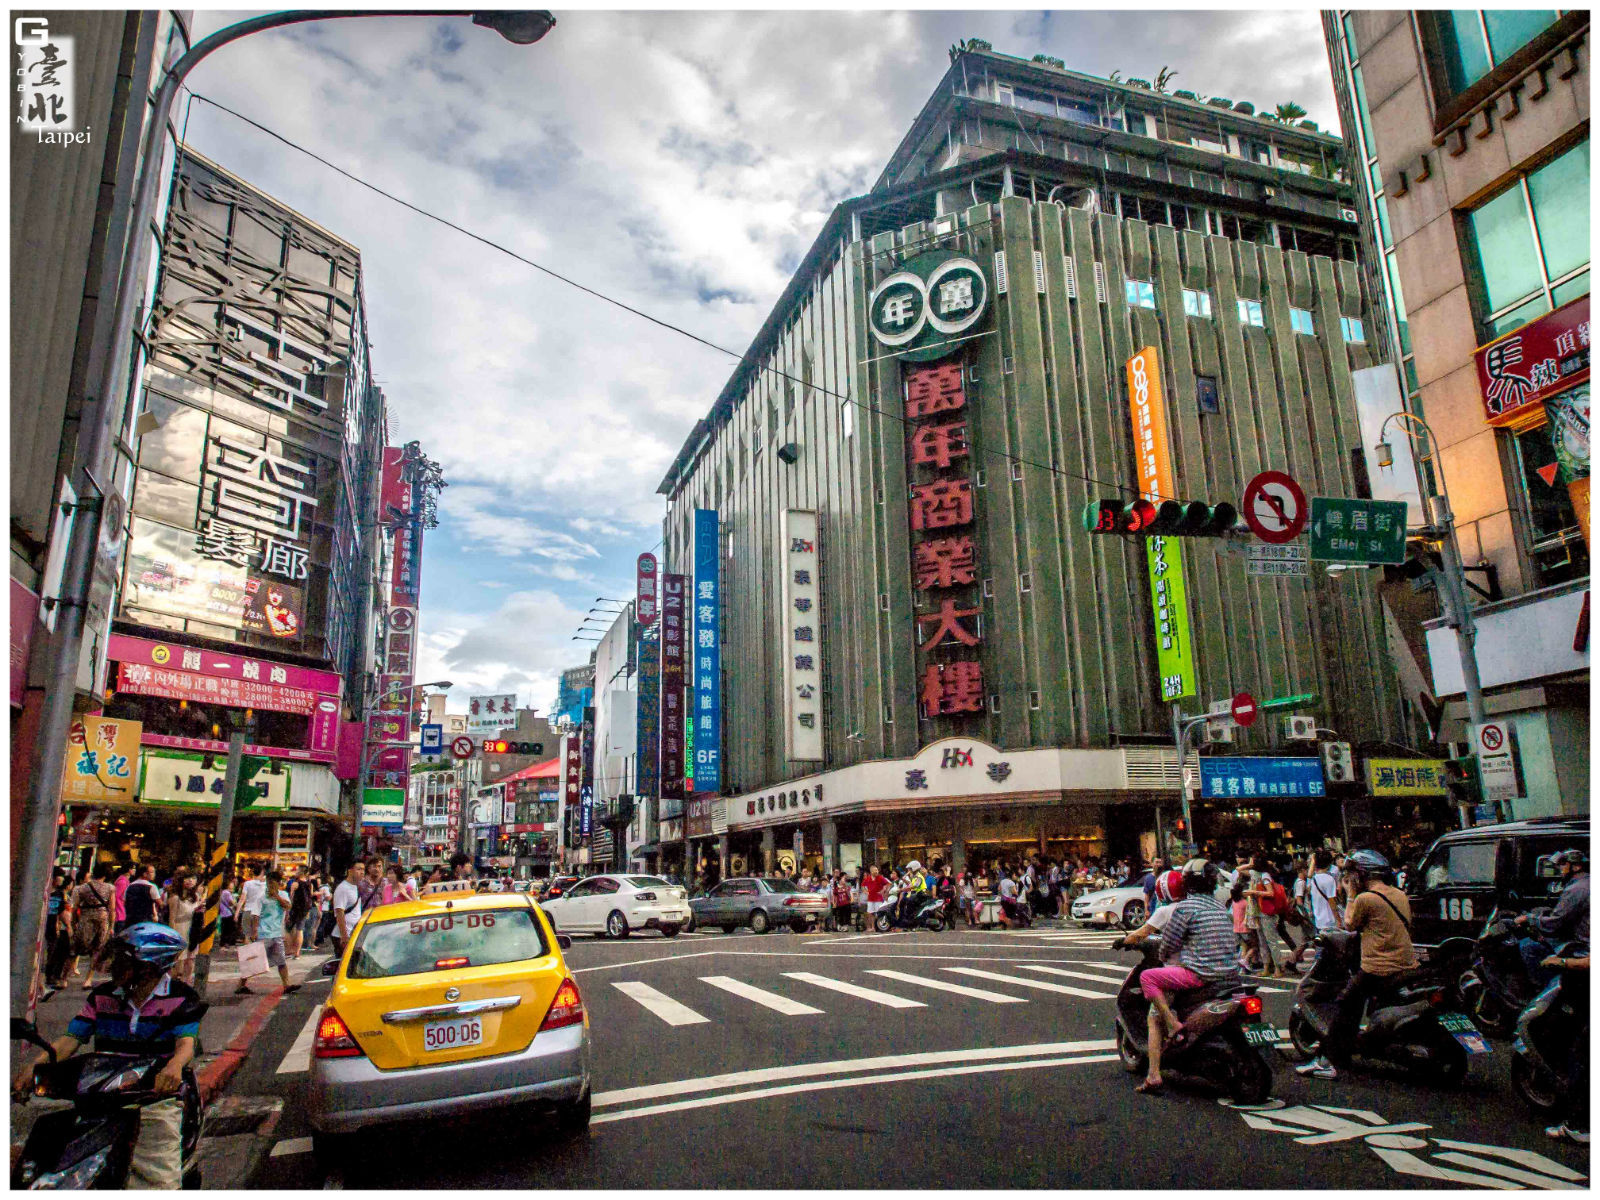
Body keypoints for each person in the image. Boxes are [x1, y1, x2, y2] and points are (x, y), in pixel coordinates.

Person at [13, 923, 203, 1189]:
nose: (113, 966)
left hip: (152, 1100)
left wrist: (172, 1067)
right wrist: (33, 1068)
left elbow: (185, 1045)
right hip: (100, 1097)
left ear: (149, 967)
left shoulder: (182, 998)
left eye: (123, 961)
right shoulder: (101, 997)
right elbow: (70, 1040)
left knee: (157, 1180)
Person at [1296, 849, 1417, 1080]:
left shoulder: (1366, 898)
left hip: (1378, 967)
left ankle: (1328, 1061)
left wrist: (1351, 893)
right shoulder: (1399, 894)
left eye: (1352, 876)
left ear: (1361, 875)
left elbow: (1349, 924)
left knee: (1346, 1007)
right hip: (1406, 963)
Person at [1137, 860, 1241, 1095]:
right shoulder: (1218, 907)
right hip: (1231, 975)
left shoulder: (1186, 909)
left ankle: (1157, 1065)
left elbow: (1168, 945)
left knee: (1148, 978)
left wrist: (1163, 954)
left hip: (1199, 974)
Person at [1515, 849, 1589, 990]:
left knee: (1528, 946)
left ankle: (1544, 991)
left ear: (1576, 866)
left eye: (1563, 865)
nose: (1560, 869)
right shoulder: (1586, 881)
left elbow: (1555, 923)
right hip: (1583, 938)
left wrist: (1528, 918)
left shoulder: (1576, 888)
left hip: (1583, 946)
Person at [245, 869, 299, 994]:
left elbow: (287, 906)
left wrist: (276, 896)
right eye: (269, 883)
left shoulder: (283, 895)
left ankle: (286, 985)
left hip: (277, 933)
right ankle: (242, 984)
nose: (271, 885)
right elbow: (255, 915)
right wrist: (254, 931)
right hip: (263, 933)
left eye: (273, 883)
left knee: (281, 960)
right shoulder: (261, 897)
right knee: (255, 960)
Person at [1244, 853, 1289, 979]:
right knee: (1263, 941)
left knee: (1271, 941)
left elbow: (1270, 893)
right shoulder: (1255, 874)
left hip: (1266, 911)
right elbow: (1238, 869)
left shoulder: (1265, 876)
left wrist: (1254, 892)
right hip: (1257, 911)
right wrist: (1249, 864)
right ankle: (1266, 968)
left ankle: (1278, 968)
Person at [71, 865, 116, 988]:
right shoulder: (110, 888)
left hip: (85, 918)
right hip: (102, 919)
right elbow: (112, 909)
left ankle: (64, 977)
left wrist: (73, 922)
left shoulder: (82, 888)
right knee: (97, 949)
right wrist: (112, 925)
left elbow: (74, 907)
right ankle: (88, 979)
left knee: (76, 947)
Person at [42, 868, 75, 999]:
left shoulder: (60, 895)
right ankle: (42, 985)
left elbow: (61, 912)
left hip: (51, 929)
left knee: (49, 955)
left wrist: (67, 926)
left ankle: (45, 981)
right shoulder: (43, 891)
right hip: (42, 927)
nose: (62, 879)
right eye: (60, 876)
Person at [164, 871, 201, 985]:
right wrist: (173, 937)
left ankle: (186, 983)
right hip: (179, 929)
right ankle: (174, 983)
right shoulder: (175, 898)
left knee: (191, 958)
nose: (190, 881)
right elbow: (172, 919)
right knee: (177, 960)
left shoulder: (196, 896)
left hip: (192, 929)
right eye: (187, 878)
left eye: (193, 878)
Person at [331, 862, 365, 959]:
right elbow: (339, 912)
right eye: (358, 869)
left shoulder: (355, 887)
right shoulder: (343, 888)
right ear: (350, 871)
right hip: (343, 936)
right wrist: (344, 936)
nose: (362, 872)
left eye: (363, 869)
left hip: (353, 933)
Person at [285, 871, 312, 959]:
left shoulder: (295, 884)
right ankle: (297, 953)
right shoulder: (309, 885)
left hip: (295, 909)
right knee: (300, 930)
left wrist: (288, 911)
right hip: (304, 910)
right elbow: (309, 897)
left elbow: (291, 898)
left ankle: (289, 950)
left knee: (288, 929)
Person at [237, 867, 265, 945]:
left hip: (248, 910)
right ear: (262, 873)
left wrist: (237, 912)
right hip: (260, 912)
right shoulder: (265, 885)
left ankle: (249, 955)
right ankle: (258, 955)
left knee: (247, 935)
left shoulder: (247, 883)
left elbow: (242, 899)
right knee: (258, 934)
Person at [218, 876, 238, 948]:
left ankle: (223, 943)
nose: (233, 885)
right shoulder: (227, 893)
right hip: (228, 913)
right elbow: (232, 903)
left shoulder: (222, 892)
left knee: (224, 929)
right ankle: (226, 943)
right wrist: (237, 905)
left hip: (223, 914)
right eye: (231, 884)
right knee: (229, 929)